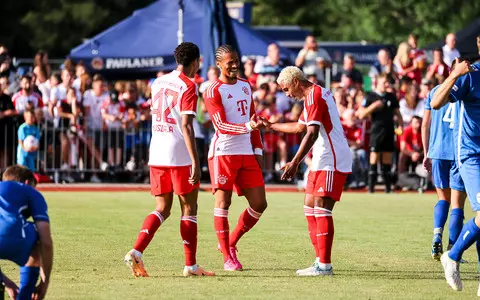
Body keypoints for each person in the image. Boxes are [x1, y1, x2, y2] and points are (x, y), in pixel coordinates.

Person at [124, 42, 214, 277]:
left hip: (157, 151)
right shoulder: (189, 86)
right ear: (195, 62)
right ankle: (190, 266)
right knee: (189, 208)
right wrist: (196, 160)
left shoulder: (158, 82)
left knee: (162, 208)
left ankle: (137, 251)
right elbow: (186, 125)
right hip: (179, 153)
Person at [264, 66, 352, 276]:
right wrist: (269, 126)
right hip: (323, 158)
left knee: (321, 208)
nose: (287, 94)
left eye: (286, 89)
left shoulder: (314, 96)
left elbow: (311, 134)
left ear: (295, 81)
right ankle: (319, 260)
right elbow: (299, 128)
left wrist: (295, 162)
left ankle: (324, 265)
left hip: (332, 158)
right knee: (309, 206)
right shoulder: (313, 95)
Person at [204, 45, 267, 271]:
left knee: (260, 203)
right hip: (224, 153)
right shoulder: (212, 90)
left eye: (236, 60)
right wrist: (249, 126)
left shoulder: (245, 85)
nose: (233, 65)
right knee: (224, 203)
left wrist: (258, 150)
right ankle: (227, 259)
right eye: (229, 62)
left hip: (246, 151)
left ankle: (230, 244)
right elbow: (220, 125)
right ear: (219, 64)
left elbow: (253, 118)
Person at [431, 54, 480, 293]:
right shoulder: (470, 75)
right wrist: (454, 74)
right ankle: (452, 254)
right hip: (470, 154)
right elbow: (435, 103)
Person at [422, 84, 467, 261]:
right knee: (457, 204)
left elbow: (425, 124)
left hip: (438, 151)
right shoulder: (466, 88)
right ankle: (452, 250)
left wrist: (426, 153)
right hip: (458, 151)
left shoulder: (434, 91)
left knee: (442, 199)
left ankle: (436, 235)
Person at [0, 165, 53, 300]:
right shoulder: (29, 191)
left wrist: (7, 283)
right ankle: (24, 295)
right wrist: (44, 282)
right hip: (12, 235)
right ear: (28, 183)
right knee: (37, 235)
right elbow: (46, 242)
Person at [357, 74, 403, 193]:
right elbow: (361, 114)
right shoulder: (371, 96)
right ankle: (371, 188)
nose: (387, 85)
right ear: (377, 82)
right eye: (384, 82)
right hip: (376, 131)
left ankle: (388, 189)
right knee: (374, 158)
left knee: (387, 161)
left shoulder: (391, 97)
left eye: (387, 82)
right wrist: (373, 106)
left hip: (389, 131)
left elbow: (398, 113)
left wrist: (401, 125)